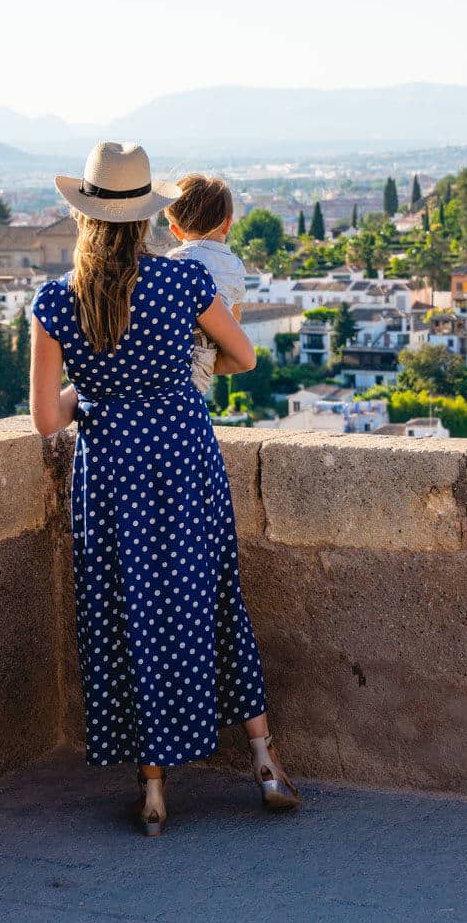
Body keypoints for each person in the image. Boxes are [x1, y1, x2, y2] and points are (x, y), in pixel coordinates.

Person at [30, 141, 299, 837]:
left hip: (113, 473)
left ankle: (153, 790)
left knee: (130, 612)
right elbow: (243, 354)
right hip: (183, 458)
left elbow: (45, 419)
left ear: (86, 217)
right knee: (212, 597)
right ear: (148, 218)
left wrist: (97, 389)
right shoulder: (181, 286)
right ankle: (265, 761)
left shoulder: (57, 302)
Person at [164, 173, 246, 395]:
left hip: (167, 357)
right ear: (228, 224)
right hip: (205, 361)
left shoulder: (172, 261)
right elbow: (234, 322)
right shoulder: (235, 266)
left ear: (176, 229)